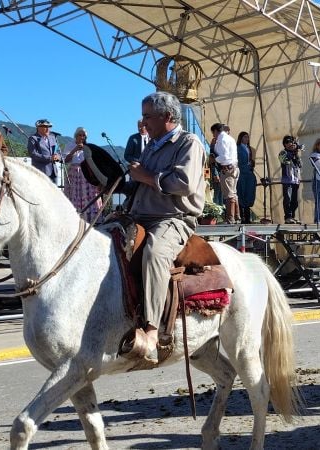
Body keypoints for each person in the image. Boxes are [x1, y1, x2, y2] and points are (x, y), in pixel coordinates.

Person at [124, 91, 206, 364]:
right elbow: (142, 182)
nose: (143, 121)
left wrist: (145, 176)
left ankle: (151, 329)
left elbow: (184, 184)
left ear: (167, 117)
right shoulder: (152, 145)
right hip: (141, 215)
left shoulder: (189, 143)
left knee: (155, 253)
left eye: (148, 116)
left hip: (173, 218)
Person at [61, 127, 102, 223]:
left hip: (87, 172)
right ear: (75, 136)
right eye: (80, 135)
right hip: (74, 173)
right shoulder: (70, 145)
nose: (82, 137)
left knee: (89, 195)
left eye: (84, 135)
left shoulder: (89, 147)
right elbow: (65, 160)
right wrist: (74, 150)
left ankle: (91, 219)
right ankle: (75, 218)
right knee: (75, 194)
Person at [212, 123, 240, 223]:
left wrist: (215, 159)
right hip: (234, 167)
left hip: (227, 168)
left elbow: (224, 157)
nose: (213, 135)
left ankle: (230, 218)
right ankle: (237, 217)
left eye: (213, 133)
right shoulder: (230, 138)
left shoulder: (222, 139)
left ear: (215, 131)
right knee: (233, 193)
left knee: (229, 195)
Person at [27, 119, 61, 183]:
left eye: (49, 127)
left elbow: (58, 151)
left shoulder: (53, 138)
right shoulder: (33, 138)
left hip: (53, 172)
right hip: (41, 172)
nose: (48, 129)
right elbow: (33, 154)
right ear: (38, 128)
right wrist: (49, 158)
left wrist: (57, 157)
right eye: (45, 127)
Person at [279, 135, 302, 224]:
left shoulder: (295, 154)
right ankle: (287, 217)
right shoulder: (283, 153)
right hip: (287, 180)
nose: (291, 143)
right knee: (287, 199)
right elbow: (284, 161)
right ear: (284, 144)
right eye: (288, 142)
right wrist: (292, 152)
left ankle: (292, 216)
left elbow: (300, 165)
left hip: (295, 180)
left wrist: (296, 153)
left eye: (292, 142)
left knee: (294, 201)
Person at [236, 131, 257, 224]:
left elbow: (252, 161)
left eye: (247, 137)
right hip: (241, 172)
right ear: (241, 138)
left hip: (249, 172)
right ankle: (242, 217)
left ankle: (248, 217)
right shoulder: (237, 148)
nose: (246, 139)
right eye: (245, 137)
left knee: (249, 193)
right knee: (241, 193)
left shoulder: (250, 149)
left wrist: (252, 164)